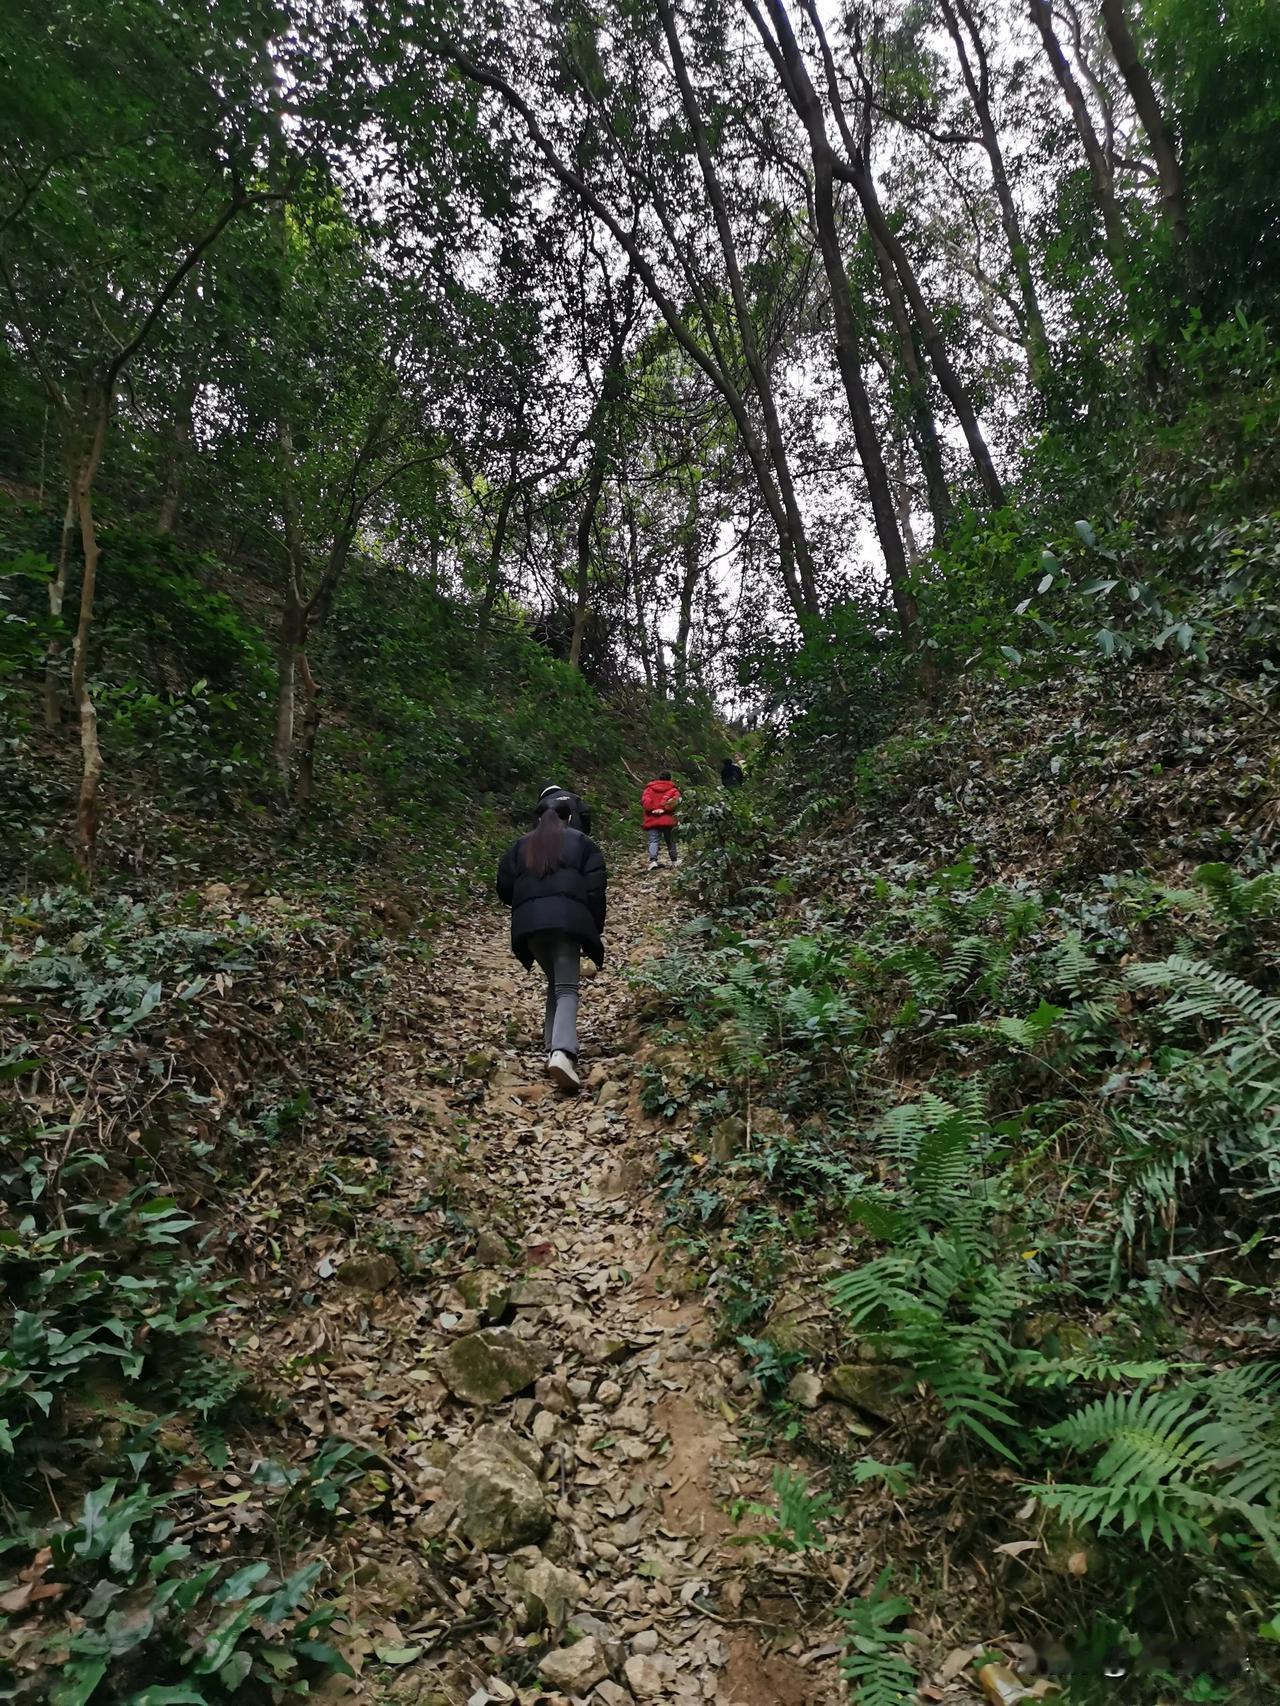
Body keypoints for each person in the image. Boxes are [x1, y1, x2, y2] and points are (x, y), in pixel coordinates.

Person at [497, 788, 606, 1092]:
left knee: (556, 982)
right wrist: (593, 930)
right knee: (568, 988)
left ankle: (551, 1044)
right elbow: (596, 890)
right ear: (569, 817)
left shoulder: (520, 845)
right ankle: (563, 1053)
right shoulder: (583, 843)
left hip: (529, 929)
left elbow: (504, 887)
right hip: (567, 924)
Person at [642, 770, 681, 869]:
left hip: (652, 819)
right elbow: (675, 802)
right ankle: (674, 861)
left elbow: (646, 802)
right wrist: (664, 809)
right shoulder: (674, 790)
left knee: (653, 841)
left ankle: (653, 861)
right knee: (671, 840)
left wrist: (653, 809)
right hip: (668, 820)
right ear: (670, 779)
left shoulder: (649, 789)